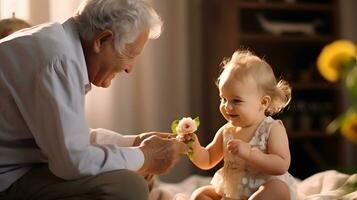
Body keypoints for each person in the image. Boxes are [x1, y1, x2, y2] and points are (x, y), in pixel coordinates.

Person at [0, 0, 188, 199]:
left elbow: (67, 137)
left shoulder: (57, 46)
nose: (129, 69)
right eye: (130, 55)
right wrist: (146, 155)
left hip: (21, 167)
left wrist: (134, 143)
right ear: (102, 40)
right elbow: (74, 161)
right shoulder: (58, 61)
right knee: (129, 185)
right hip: (7, 179)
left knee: (136, 173)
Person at [184, 50, 297, 200]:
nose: (227, 106)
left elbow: (281, 165)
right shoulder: (227, 131)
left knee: (278, 189)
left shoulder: (272, 128)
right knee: (199, 195)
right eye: (223, 99)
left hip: (264, 188)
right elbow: (208, 159)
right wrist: (193, 146)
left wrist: (250, 154)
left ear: (263, 102)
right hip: (233, 192)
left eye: (236, 101)